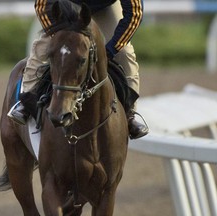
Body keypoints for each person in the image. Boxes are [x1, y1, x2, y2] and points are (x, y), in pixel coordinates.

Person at [8, 0, 149, 139]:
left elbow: (135, 13)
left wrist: (111, 50)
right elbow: (42, 5)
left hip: (106, 8)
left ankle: (130, 114)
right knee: (42, 48)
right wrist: (59, 38)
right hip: (70, 5)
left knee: (124, 53)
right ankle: (25, 102)